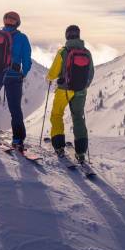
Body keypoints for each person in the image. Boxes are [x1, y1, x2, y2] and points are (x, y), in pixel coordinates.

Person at [0, 11, 32, 150]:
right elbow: (27, 60)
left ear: (5, 21)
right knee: (15, 108)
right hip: (14, 76)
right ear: (17, 22)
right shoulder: (22, 38)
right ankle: (18, 140)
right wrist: (23, 73)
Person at [46, 25, 94, 163]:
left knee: (57, 115)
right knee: (78, 117)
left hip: (63, 90)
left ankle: (59, 146)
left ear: (67, 36)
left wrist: (49, 78)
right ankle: (81, 151)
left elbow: (53, 72)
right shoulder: (87, 52)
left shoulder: (63, 51)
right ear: (78, 35)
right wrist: (84, 86)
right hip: (80, 91)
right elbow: (91, 73)